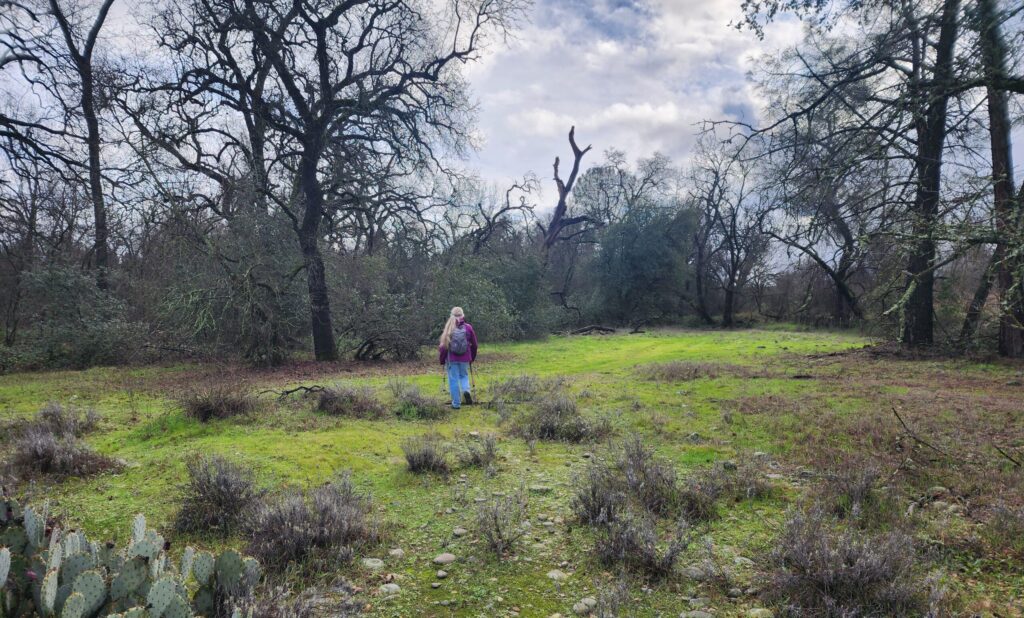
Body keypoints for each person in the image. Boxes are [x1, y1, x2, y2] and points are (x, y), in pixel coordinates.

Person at [438, 306, 478, 408]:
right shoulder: (468, 328)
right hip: (465, 358)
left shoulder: (449, 328)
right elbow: (475, 345)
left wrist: (442, 360)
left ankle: (456, 404)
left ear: (451, 315)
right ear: (463, 315)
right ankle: (466, 390)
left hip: (452, 359)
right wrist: (472, 358)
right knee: (464, 376)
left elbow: (443, 347)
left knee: (453, 380)